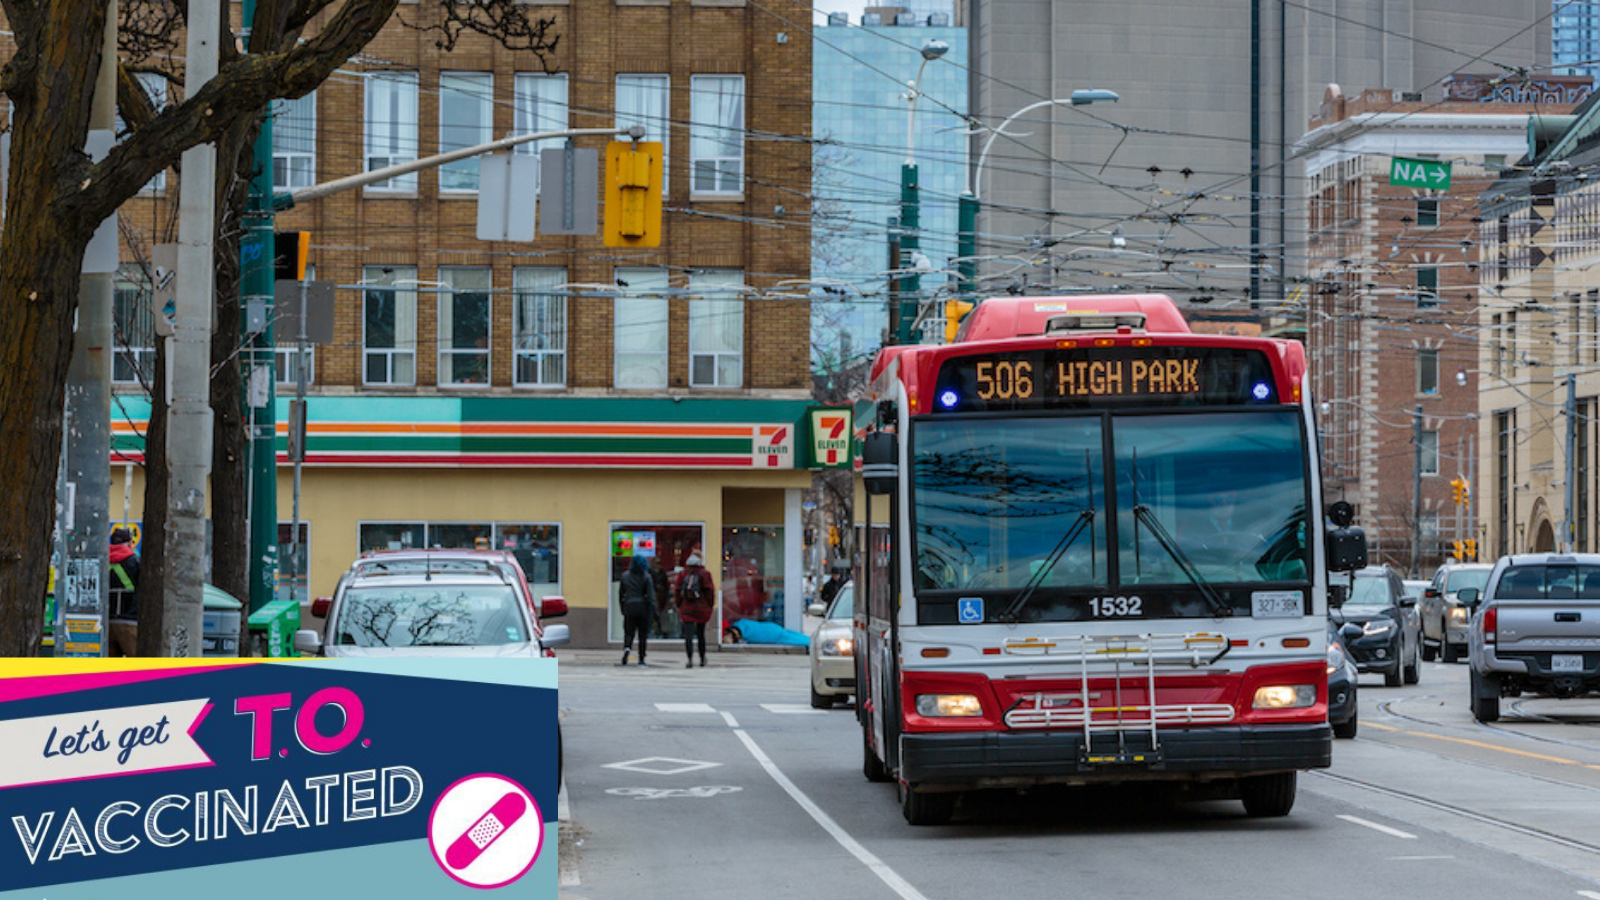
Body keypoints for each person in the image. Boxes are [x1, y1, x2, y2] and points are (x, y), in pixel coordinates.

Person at [674, 553, 716, 668]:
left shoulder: (682, 574)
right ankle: (702, 659)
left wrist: (679, 605)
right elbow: (710, 592)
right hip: (701, 608)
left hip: (687, 608)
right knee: (701, 634)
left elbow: (677, 591)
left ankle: (689, 659)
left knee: (688, 635)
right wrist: (710, 606)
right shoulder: (705, 574)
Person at [108, 528, 140, 657]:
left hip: (107, 622)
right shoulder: (134, 562)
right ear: (130, 543)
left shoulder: (103, 561)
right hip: (130, 622)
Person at [618, 555, 654, 666]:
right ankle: (641, 659)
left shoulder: (625, 576)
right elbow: (651, 596)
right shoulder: (646, 577)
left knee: (629, 632)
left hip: (629, 606)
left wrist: (622, 608)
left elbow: (621, 594)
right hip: (642, 608)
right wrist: (654, 611)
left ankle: (627, 648)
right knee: (642, 635)